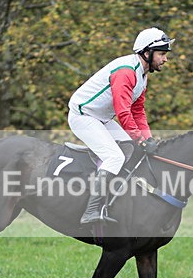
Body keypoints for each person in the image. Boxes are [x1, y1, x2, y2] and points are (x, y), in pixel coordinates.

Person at [68, 27, 174, 224]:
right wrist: (141, 140)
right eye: (161, 54)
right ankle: (91, 211)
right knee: (115, 156)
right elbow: (123, 112)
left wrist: (147, 138)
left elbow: (138, 111)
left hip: (101, 117)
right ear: (147, 52)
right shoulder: (126, 72)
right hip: (83, 116)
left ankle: (115, 194)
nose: (165, 59)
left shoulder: (142, 74)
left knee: (130, 148)